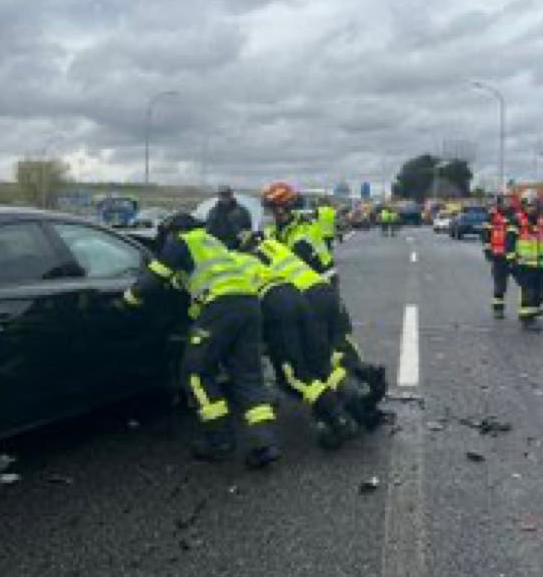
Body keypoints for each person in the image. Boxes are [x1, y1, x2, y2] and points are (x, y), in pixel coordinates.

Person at [121, 213, 280, 468]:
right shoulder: (212, 243)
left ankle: (220, 441)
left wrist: (129, 299)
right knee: (248, 377)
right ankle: (265, 444)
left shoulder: (182, 240)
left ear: (174, 231)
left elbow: (156, 276)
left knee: (195, 373)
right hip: (250, 306)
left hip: (221, 307)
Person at [260, 182, 387, 422]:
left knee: (322, 351)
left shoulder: (303, 232)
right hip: (318, 292)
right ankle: (363, 378)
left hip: (314, 294)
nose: (275, 214)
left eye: (279, 208)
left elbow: (299, 263)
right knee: (334, 347)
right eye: (272, 209)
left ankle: (345, 403)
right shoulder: (279, 232)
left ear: (289, 207)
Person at [232, 240, 358, 448]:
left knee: (293, 376)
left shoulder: (225, 265)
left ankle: (339, 419)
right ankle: (355, 400)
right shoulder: (256, 256)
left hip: (276, 307)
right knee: (320, 364)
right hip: (298, 296)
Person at [511, 191, 543, 332]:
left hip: (541, 265)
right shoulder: (517, 221)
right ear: (523, 205)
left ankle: (532, 311)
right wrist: (512, 261)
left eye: (534, 205)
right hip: (525, 265)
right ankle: (527, 320)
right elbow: (509, 242)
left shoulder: (542, 222)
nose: (532, 208)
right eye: (529, 205)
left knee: (542, 291)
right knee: (528, 292)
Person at [481, 196, 515, 319]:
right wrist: (487, 251)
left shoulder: (516, 216)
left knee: (526, 283)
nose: (507, 204)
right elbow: (485, 235)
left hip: (516, 256)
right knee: (500, 284)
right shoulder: (491, 216)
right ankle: (498, 309)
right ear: (498, 204)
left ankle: (529, 310)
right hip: (499, 255)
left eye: (509, 201)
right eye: (504, 202)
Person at [204, 185, 253, 250]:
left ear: (231, 194)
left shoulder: (242, 211)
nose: (225, 197)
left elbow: (248, 228)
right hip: (219, 248)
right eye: (222, 195)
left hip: (239, 248)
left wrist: (243, 236)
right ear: (219, 196)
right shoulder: (213, 213)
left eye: (227, 194)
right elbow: (209, 232)